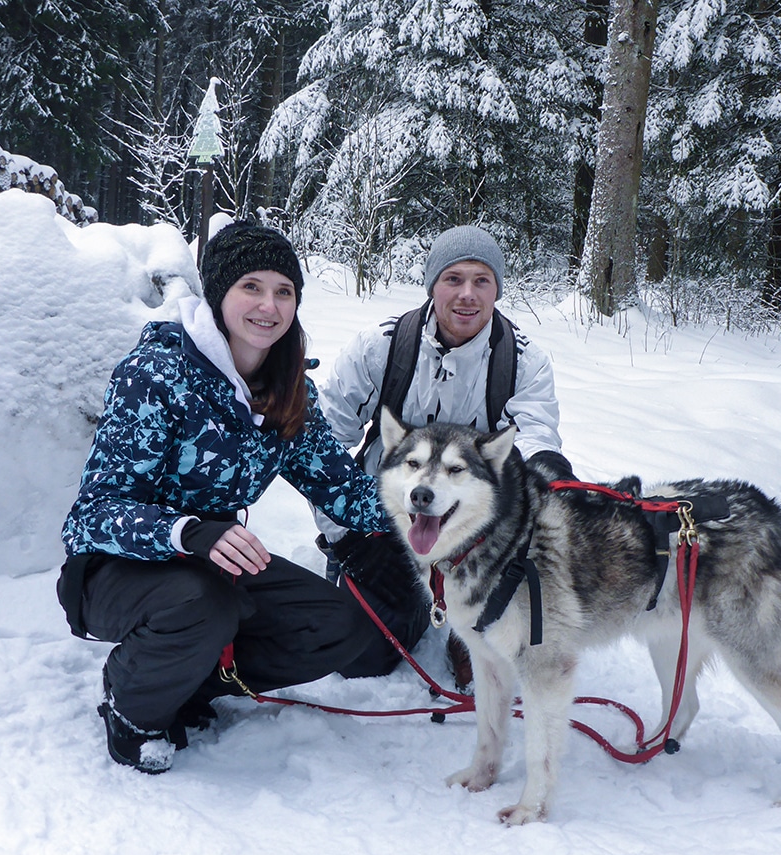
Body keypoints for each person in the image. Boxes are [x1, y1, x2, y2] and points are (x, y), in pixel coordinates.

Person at [56, 222, 403, 775]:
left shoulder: (287, 389)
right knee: (202, 605)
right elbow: (90, 516)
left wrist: (434, 522)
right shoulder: (157, 375)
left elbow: (343, 489)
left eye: (284, 291)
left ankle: (191, 683)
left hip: (213, 562)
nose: (269, 305)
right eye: (252, 286)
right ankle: (133, 709)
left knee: (339, 625)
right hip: (117, 567)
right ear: (219, 294)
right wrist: (189, 530)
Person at [317, 225, 574, 685]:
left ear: (497, 289)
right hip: (388, 517)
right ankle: (411, 596)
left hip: (479, 530)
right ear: (433, 285)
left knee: (510, 627)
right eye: (453, 279)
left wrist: (549, 473)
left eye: (482, 280)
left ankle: (466, 622)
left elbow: (534, 434)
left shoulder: (524, 361)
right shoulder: (382, 347)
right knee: (360, 657)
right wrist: (344, 533)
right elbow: (324, 441)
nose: (467, 295)